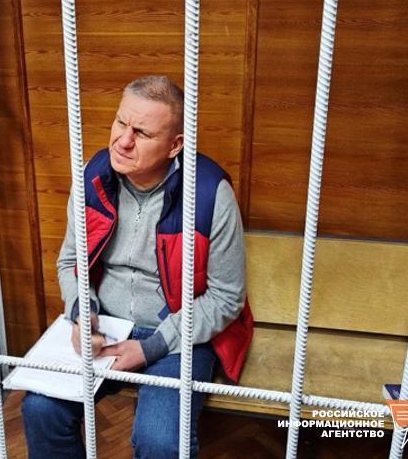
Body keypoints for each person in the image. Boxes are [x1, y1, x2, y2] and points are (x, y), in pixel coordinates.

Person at [21, 75, 253, 458]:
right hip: (106, 328)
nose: (123, 141)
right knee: (40, 409)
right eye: (120, 122)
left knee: (160, 442)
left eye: (142, 133)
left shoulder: (210, 193)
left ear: (175, 145)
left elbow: (227, 298)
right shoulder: (93, 178)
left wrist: (151, 347)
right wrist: (83, 313)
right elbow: (71, 262)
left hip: (177, 336)